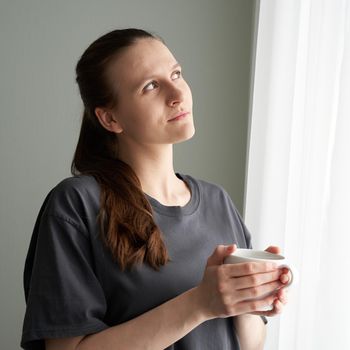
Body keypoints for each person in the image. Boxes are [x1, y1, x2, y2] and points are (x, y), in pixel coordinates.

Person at [21, 28, 289, 350]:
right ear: (110, 118)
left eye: (176, 73)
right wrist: (200, 303)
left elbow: (250, 343)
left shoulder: (218, 201)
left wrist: (246, 300)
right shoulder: (76, 205)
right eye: (151, 86)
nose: (177, 93)